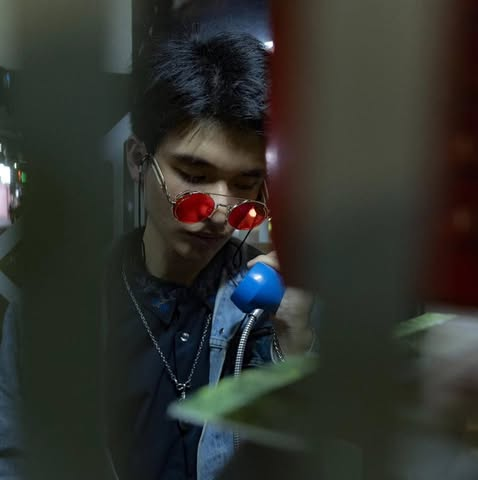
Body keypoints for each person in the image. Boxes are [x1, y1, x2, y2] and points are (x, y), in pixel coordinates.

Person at [0, 30, 315, 480]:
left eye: (245, 184)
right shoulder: (52, 313)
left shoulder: (272, 311)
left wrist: (294, 346)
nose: (219, 212)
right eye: (194, 175)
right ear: (137, 160)